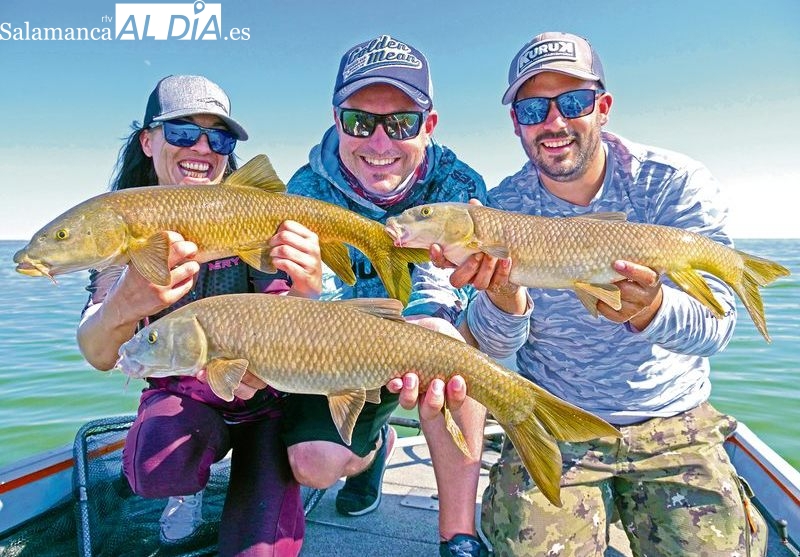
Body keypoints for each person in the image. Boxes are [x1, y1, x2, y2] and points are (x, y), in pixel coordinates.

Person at [430, 31, 768, 557]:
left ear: (602, 108)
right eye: (533, 108)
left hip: (673, 421)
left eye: (573, 102)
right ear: (515, 123)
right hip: (556, 419)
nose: (554, 122)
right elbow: (494, 348)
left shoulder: (672, 184)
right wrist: (504, 301)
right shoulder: (501, 207)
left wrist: (655, 310)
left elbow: (717, 329)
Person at [278, 34, 491, 557]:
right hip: (340, 344)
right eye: (358, 121)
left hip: (427, 329)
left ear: (429, 125)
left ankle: (457, 534)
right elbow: (310, 298)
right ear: (336, 120)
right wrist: (307, 298)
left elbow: (447, 279)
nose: (378, 143)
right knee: (314, 465)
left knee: (460, 355)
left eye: (400, 123)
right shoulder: (304, 190)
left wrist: (432, 321)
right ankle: (374, 447)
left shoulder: (459, 184)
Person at [76, 74, 306, 556]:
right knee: (154, 461)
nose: (201, 146)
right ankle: (187, 488)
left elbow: (291, 319)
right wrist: (124, 302)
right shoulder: (120, 232)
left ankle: (336, 454)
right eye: (182, 131)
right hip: (186, 401)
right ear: (147, 140)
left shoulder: (256, 221)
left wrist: (306, 291)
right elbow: (97, 353)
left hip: (263, 403)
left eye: (218, 136)